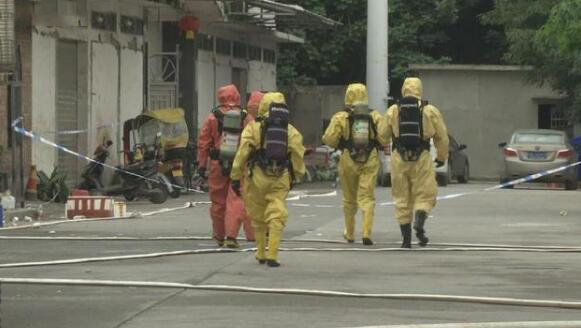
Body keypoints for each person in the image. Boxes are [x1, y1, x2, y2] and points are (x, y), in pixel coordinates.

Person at [230, 92, 305, 267]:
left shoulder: (253, 128)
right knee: (277, 213)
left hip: (256, 176)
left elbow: (242, 153)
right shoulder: (291, 130)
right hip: (280, 177)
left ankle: (261, 252)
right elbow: (298, 154)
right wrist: (297, 175)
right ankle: (273, 254)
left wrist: (235, 176)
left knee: (258, 215)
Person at [378, 77, 449, 248]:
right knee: (425, 194)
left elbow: (382, 135)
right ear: (419, 89)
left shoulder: (394, 110)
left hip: (398, 158)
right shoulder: (429, 110)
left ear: (403, 89)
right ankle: (419, 219)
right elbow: (442, 137)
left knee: (401, 197)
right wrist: (441, 157)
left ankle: (406, 239)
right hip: (422, 157)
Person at [322, 83, 386, 246]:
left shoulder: (340, 117)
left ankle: (350, 233)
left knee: (349, 198)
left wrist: (340, 143)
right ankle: (366, 232)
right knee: (367, 197)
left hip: (348, 159)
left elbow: (329, 139)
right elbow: (384, 138)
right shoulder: (375, 116)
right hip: (370, 158)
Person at [197, 84, 246, 247]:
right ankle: (232, 235)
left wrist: (202, 165)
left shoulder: (212, 117)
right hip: (239, 164)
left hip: (217, 164)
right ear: (237, 96)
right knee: (237, 198)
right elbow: (252, 140)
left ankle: (219, 236)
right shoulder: (245, 116)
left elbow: (203, 143)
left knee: (218, 202)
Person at [223, 91, 265, 247]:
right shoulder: (257, 124)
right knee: (251, 201)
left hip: (239, 164)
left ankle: (231, 235)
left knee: (235, 200)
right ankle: (252, 235)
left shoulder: (239, 118)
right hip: (254, 167)